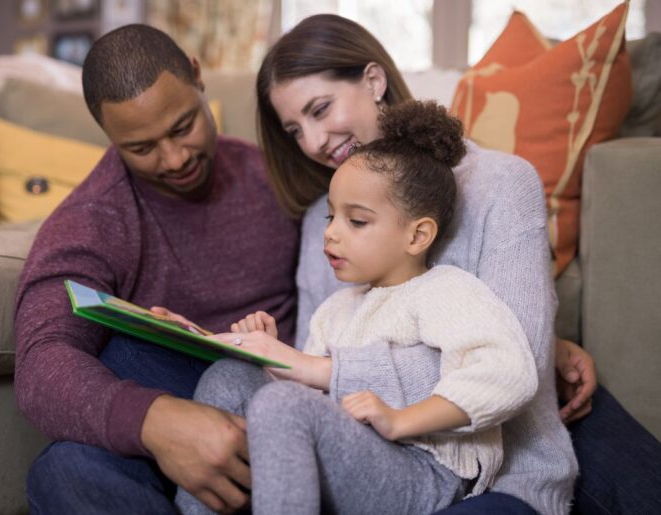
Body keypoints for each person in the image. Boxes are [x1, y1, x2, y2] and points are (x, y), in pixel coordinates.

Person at [255, 13, 661, 515]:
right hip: (373, 466)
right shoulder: (323, 218)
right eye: (295, 130)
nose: (314, 142)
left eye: (321, 109)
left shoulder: (499, 184)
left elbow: (514, 366)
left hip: (503, 471)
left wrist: (325, 371)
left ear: (374, 81)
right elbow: (312, 371)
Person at [176, 100, 544, 515]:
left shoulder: (445, 291)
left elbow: (508, 374)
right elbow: (312, 404)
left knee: (283, 406)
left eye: (357, 221)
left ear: (417, 236)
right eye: (331, 217)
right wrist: (272, 358)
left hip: (424, 470)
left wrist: (403, 420)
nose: (331, 234)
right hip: (356, 458)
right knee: (228, 377)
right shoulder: (335, 310)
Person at [13, 24, 300, 514]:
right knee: (63, 472)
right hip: (169, 441)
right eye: (142, 148)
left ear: (196, 75)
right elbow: (41, 365)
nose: (175, 159)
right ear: (107, 133)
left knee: (124, 353)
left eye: (183, 127)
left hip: (281, 404)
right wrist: (158, 421)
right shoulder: (93, 219)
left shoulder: (274, 173)